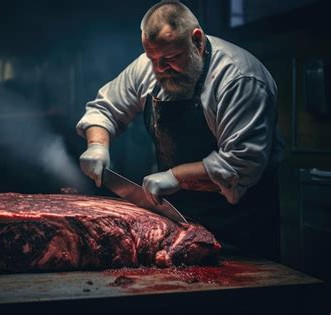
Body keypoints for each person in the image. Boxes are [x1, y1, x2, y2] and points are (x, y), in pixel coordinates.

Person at [76, 1, 283, 261]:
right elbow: (104, 109)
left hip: (242, 228)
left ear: (197, 40)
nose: (159, 69)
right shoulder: (149, 65)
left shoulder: (239, 78)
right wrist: (97, 145)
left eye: (171, 59)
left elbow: (241, 163)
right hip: (179, 222)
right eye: (153, 59)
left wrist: (176, 176)